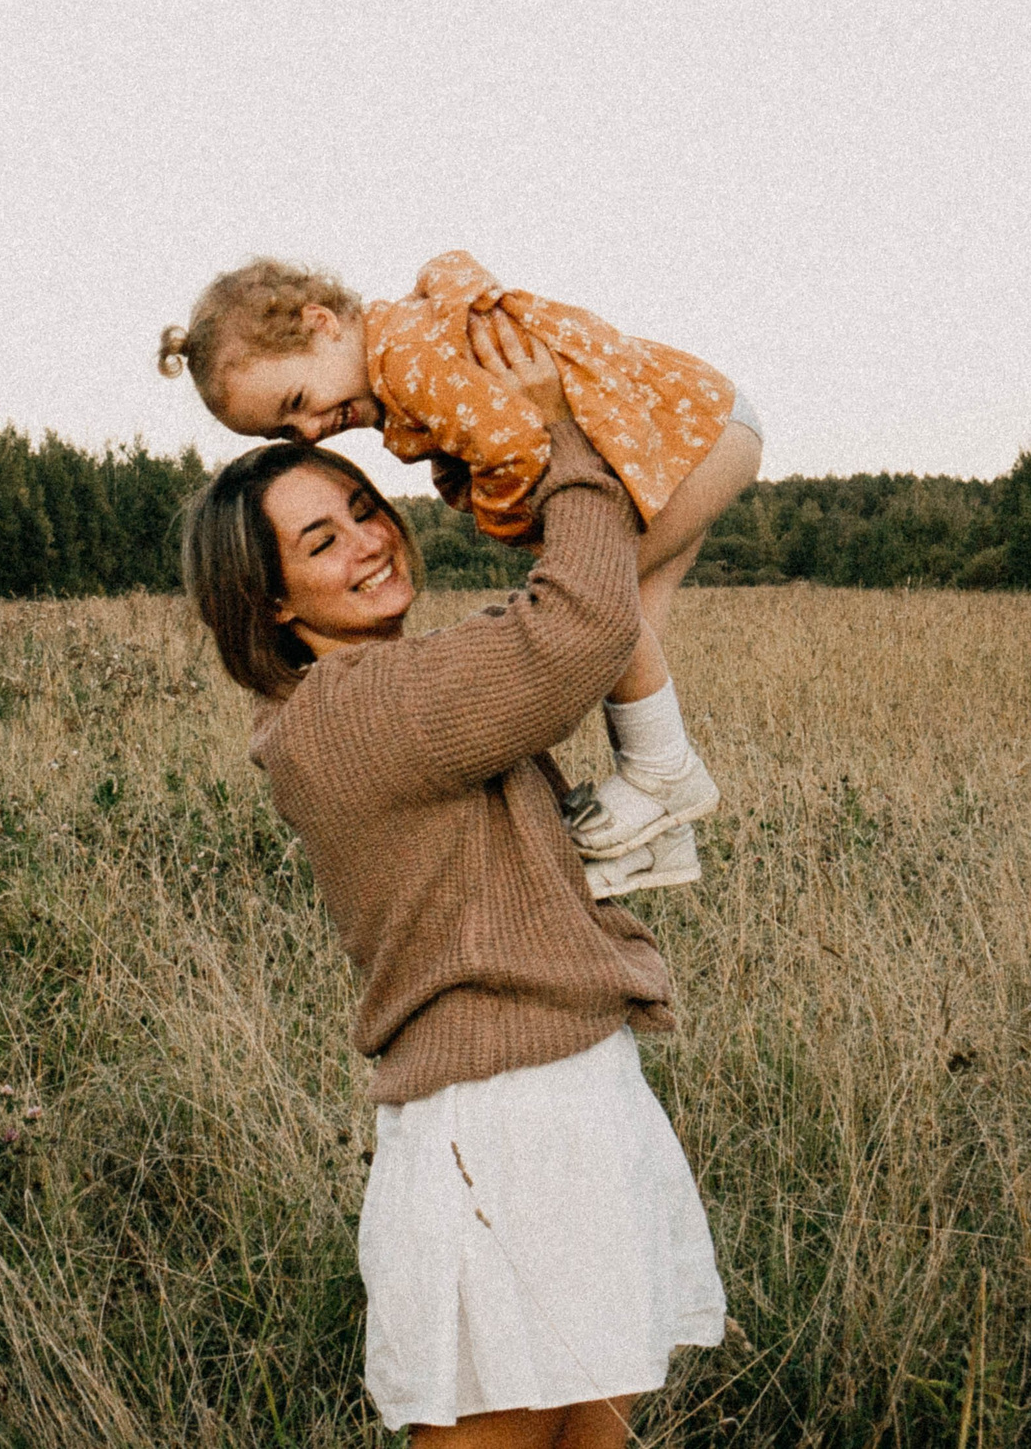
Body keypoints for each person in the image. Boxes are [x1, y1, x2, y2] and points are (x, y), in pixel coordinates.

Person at [177, 312, 725, 1446]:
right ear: (272, 603)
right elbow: (577, 628)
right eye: (318, 545)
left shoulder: (404, 683)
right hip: (498, 1128)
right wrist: (560, 433)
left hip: (571, 1096)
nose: (367, 543)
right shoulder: (351, 714)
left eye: (362, 510)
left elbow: (562, 631)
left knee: (590, 1438)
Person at [161, 251, 764, 894]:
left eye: (300, 400)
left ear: (322, 324)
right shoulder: (411, 342)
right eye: (286, 428)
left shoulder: (405, 363)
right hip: (704, 420)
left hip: (689, 436)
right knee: (630, 618)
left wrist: (504, 519)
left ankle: (662, 774)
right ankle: (664, 836)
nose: (310, 430)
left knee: (595, 598)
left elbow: (512, 444)